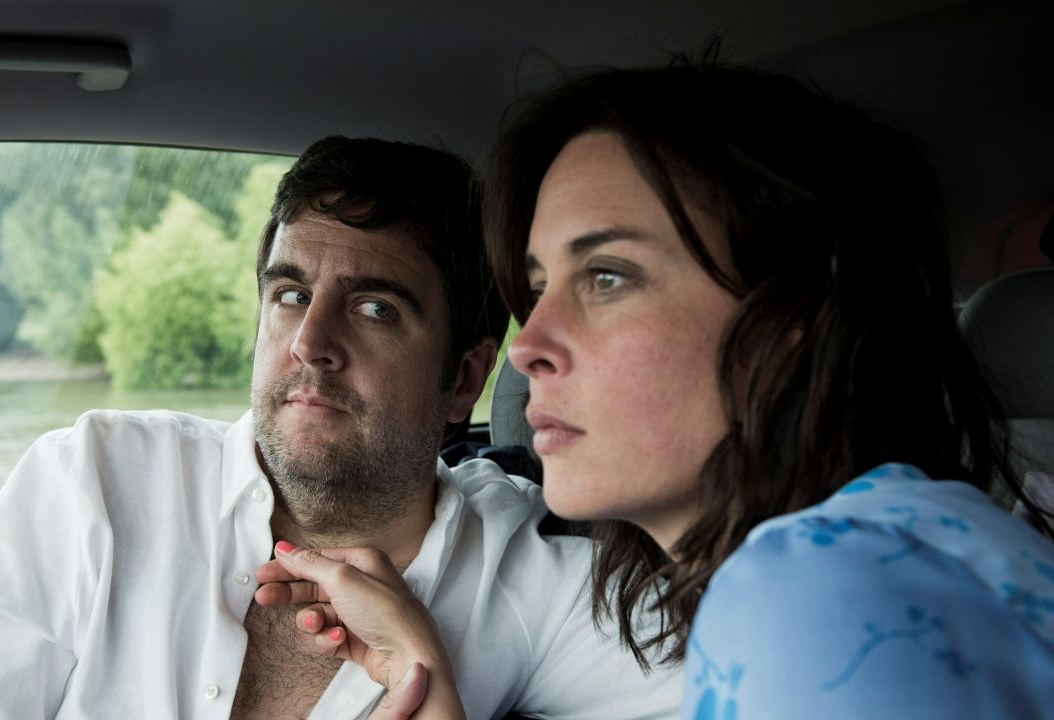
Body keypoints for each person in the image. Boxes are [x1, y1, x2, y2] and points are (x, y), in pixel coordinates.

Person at [255, 61, 1054, 718]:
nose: (527, 347)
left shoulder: (820, 595)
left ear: (791, 320)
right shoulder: (910, 546)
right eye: (539, 288)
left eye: (607, 277)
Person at [0, 136, 682, 719]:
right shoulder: (93, 478)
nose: (309, 342)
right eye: (291, 294)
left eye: (376, 309)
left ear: (466, 377)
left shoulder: (536, 575)